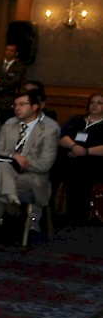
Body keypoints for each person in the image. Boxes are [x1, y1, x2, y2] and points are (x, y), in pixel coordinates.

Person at [0, 90, 58, 237]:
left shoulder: (48, 131)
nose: (17, 108)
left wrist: (24, 163)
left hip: (30, 176)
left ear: (34, 107)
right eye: (15, 105)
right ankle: (11, 199)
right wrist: (14, 156)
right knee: (2, 167)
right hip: (5, 170)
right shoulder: (7, 128)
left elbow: (45, 163)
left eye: (22, 104)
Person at [57, 93, 103, 225]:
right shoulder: (77, 120)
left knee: (82, 172)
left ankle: (80, 216)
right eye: (92, 102)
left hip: (94, 160)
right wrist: (74, 146)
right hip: (71, 155)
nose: (94, 105)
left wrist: (86, 151)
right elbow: (62, 137)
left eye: (99, 103)